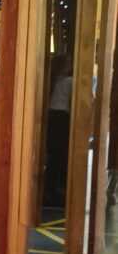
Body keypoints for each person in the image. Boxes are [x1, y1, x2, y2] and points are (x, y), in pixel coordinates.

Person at [44, 53, 72, 207]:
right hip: (62, 118)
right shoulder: (69, 81)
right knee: (61, 155)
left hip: (50, 117)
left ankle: (49, 188)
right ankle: (57, 188)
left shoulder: (51, 80)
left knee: (52, 154)